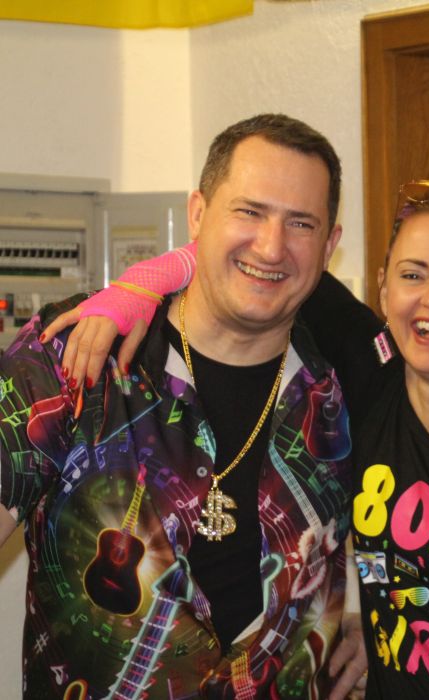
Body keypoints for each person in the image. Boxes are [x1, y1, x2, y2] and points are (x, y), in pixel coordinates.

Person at [47, 179, 429, 698]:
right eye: (413, 275)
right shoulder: (365, 387)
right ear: (385, 290)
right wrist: (137, 287)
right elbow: (261, 260)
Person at [0, 113, 370, 698]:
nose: (271, 246)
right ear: (198, 214)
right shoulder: (74, 350)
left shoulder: (344, 380)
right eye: (249, 211)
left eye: (300, 222)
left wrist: (373, 613)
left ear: (329, 245)